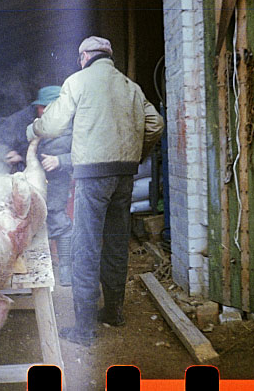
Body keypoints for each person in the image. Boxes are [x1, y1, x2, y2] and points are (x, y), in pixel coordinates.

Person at [29, 36, 164, 346]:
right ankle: (114, 313)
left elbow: (52, 125)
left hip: (93, 175)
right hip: (124, 174)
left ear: (85, 57)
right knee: (116, 242)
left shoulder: (78, 81)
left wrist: (32, 130)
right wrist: (136, 154)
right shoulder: (131, 87)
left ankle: (85, 329)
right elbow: (155, 124)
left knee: (85, 247)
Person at [0, 85, 75, 286]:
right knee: (22, 218)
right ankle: (22, 265)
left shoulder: (75, 123)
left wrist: (61, 160)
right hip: (27, 177)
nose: (44, 111)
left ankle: (66, 267)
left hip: (56, 179)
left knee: (57, 218)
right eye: (41, 107)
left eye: (49, 107)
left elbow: (88, 154)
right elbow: (0, 141)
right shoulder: (26, 120)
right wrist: (14, 155)